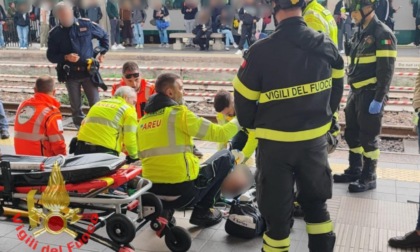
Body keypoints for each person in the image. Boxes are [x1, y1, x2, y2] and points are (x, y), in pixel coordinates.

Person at [233, 0, 344, 249]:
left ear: (274, 8)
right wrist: (325, 116)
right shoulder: (324, 45)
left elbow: (243, 104)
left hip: (275, 149)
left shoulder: (260, 51)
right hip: (314, 145)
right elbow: (337, 84)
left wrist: (255, 126)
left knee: (277, 221)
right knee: (317, 210)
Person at [137, 73, 242, 227]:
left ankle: (166, 211)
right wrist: (241, 118)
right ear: (170, 93)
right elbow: (221, 134)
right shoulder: (179, 114)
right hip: (183, 193)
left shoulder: (142, 122)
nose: (184, 92)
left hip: (153, 192)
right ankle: (203, 212)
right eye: (181, 88)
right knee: (226, 157)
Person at [333, 0, 397, 193]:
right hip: (356, 91)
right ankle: (355, 169)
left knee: (368, 137)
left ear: (368, 8)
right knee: (352, 133)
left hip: (371, 93)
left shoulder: (382, 33)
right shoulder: (360, 30)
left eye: (354, 10)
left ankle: (369, 176)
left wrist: (379, 98)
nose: (351, 14)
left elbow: (386, 70)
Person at [47, 1, 109, 129]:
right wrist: (65, 57)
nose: (66, 17)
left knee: (95, 104)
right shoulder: (55, 33)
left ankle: (97, 129)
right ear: (58, 16)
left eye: (68, 14)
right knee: (75, 107)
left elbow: (104, 37)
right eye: (63, 15)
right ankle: (80, 130)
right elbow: (51, 56)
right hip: (70, 74)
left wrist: (100, 52)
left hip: (88, 72)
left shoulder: (85, 24)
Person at [76, 86, 138, 163]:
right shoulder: (128, 110)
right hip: (105, 152)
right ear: (125, 97)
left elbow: (83, 125)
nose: (134, 106)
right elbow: (130, 138)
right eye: (134, 102)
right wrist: (134, 156)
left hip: (81, 147)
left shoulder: (98, 104)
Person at [14, 76, 66, 157]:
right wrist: (64, 159)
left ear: (35, 90)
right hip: (41, 161)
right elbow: (57, 143)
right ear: (54, 92)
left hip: (20, 158)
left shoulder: (23, 105)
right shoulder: (52, 112)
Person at [214, 90, 257, 163]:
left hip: (260, 132)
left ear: (233, 101)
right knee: (233, 153)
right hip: (244, 130)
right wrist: (219, 156)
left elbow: (254, 137)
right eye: (225, 114)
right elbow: (223, 135)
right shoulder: (221, 113)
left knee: (261, 159)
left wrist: (242, 159)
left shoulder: (246, 107)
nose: (227, 116)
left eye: (228, 113)